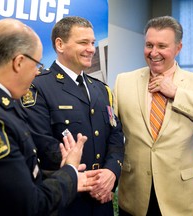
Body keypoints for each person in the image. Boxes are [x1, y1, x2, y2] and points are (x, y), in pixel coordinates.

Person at [0, 18, 101, 216]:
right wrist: (70, 171)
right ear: (19, 62)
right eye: (37, 64)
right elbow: (29, 207)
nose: (37, 72)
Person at [113, 15, 193, 216]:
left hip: (182, 201)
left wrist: (177, 94)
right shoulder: (123, 81)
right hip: (135, 198)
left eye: (162, 46)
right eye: (149, 45)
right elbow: (112, 132)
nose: (154, 52)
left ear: (178, 48)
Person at [19, 16, 124, 216]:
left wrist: (111, 172)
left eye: (93, 43)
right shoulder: (38, 86)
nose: (91, 49)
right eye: (83, 42)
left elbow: (116, 135)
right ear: (60, 44)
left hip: (103, 199)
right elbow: (40, 142)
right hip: (66, 200)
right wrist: (86, 180)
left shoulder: (102, 89)